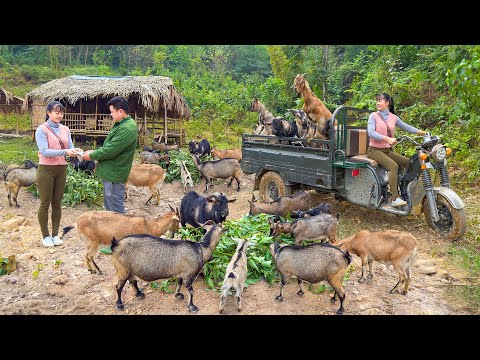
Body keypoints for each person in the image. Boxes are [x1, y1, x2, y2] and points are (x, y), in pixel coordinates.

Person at [35, 100, 83, 247]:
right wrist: (65, 152)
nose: (60, 115)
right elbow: (44, 151)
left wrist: (76, 152)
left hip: (61, 169)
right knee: (45, 203)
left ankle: (55, 235)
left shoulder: (65, 129)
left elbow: (70, 147)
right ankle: (45, 236)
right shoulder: (41, 130)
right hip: (46, 170)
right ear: (48, 113)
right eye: (56, 112)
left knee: (57, 203)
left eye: (61, 112)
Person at [367, 93, 426, 207]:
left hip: (387, 150)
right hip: (374, 150)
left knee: (410, 163)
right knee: (393, 166)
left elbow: (407, 127)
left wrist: (423, 133)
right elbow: (371, 133)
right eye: (377, 100)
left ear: (387, 103)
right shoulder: (373, 116)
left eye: (380, 100)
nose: (377, 103)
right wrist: (387, 138)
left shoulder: (393, 117)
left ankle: (405, 188)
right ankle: (395, 198)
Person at [82, 96, 138, 214]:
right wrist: (93, 152)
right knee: (110, 211)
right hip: (111, 174)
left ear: (120, 111)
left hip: (114, 176)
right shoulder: (121, 124)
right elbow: (110, 146)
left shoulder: (127, 128)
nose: (111, 114)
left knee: (116, 213)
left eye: (112, 111)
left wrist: (91, 156)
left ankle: (123, 232)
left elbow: (110, 150)